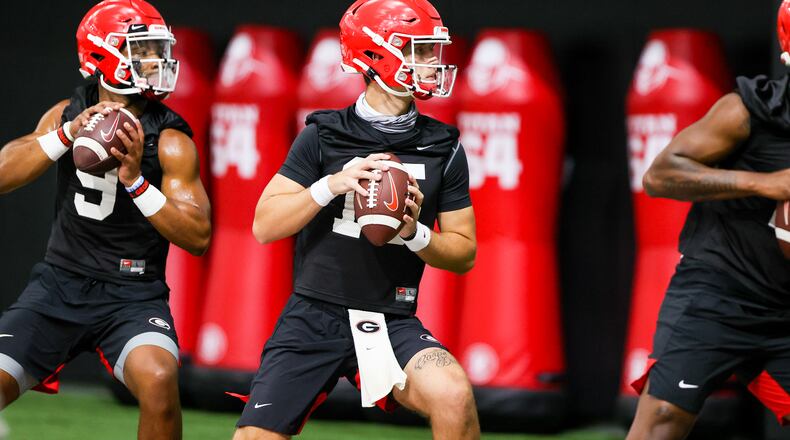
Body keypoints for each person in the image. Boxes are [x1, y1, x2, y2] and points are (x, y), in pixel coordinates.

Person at [232, 0, 479, 438]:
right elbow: (264, 225)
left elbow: (463, 253)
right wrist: (331, 185)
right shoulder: (323, 134)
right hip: (313, 316)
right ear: (374, 55)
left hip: (392, 319)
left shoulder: (444, 146)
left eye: (431, 51)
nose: (431, 63)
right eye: (418, 50)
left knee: (454, 396)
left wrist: (415, 232)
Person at [0, 1, 211, 439]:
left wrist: (136, 181)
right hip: (58, 284)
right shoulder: (66, 113)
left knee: (157, 380)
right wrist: (65, 135)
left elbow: (198, 236)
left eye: (157, 49)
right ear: (101, 56)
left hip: (133, 295)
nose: (157, 61)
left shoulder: (170, 139)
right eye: (143, 50)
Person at [626, 2, 790, 438]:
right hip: (719, 295)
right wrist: (766, 184)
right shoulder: (748, 111)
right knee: (660, 423)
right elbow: (660, 175)